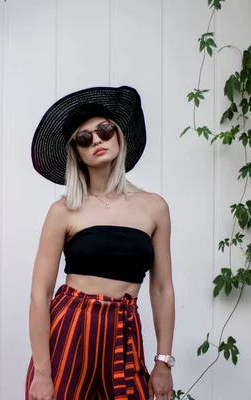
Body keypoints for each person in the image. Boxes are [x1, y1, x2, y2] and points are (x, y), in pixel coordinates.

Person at [26, 86, 176, 400]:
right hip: (71, 329)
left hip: (124, 331)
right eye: (84, 138)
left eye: (104, 131)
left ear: (118, 137)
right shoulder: (63, 211)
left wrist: (163, 362)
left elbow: (162, 288)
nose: (96, 140)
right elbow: (40, 295)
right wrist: (42, 372)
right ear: (77, 153)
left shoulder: (154, 207)